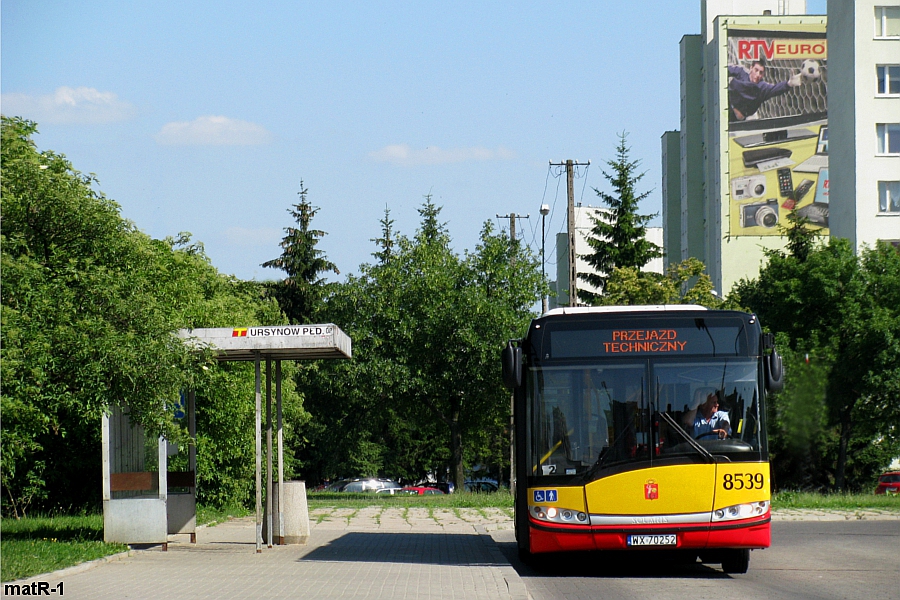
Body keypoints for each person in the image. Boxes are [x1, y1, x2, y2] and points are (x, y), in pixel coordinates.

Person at [728, 60, 803, 121]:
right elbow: (725, 68)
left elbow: (776, 89)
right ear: (751, 68)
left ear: (763, 74)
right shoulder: (741, 72)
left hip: (736, 119)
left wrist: (789, 84)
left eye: (761, 72)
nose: (758, 75)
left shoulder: (762, 88)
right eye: (756, 70)